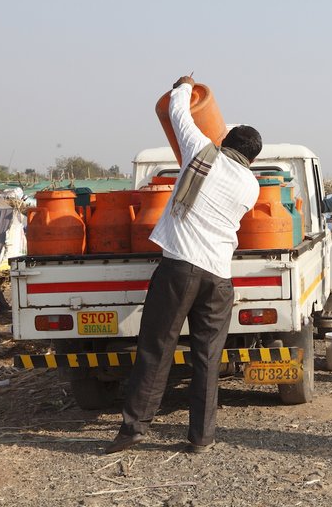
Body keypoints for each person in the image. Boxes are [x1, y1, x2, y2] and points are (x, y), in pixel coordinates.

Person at [107, 76, 262, 454]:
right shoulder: (251, 186)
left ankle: (133, 430)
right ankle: (201, 438)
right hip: (218, 278)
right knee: (207, 357)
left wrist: (183, 85)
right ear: (253, 158)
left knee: (156, 349)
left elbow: (179, 113)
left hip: (180, 268)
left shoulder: (200, 152)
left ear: (224, 142)